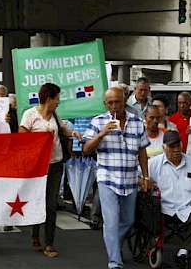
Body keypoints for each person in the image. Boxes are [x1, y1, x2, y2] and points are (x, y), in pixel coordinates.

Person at [83, 87, 150, 269]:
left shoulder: (137, 122)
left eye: (117, 102)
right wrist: (102, 133)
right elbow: (86, 149)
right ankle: (115, 262)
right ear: (105, 104)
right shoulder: (98, 121)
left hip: (130, 178)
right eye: (110, 103)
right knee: (111, 222)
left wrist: (145, 175)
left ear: (124, 101)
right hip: (107, 178)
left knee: (128, 221)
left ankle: (114, 245)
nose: (114, 106)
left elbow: (142, 150)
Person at [19, 83, 81, 258]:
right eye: (57, 98)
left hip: (55, 164)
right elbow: (22, 137)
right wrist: (38, 139)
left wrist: (74, 133)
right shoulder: (29, 115)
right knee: (37, 201)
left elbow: (62, 129)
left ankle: (49, 243)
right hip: (37, 167)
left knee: (51, 203)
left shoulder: (55, 115)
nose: (59, 102)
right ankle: (35, 234)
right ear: (49, 98)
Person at [147, 131, 191, 268]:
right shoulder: (154, 163)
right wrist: (145, 181)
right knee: (151, 210)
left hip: (188, 206)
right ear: (164, 148)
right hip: (163, 207)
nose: (176, 150)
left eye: (178, 146)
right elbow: (139, 174)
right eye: (171, 146)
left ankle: (184, 251)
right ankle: (157, 242)